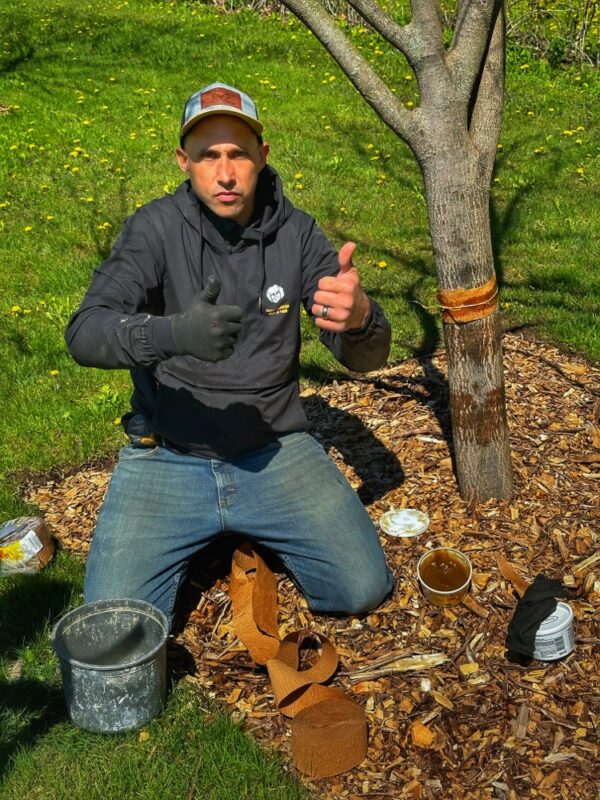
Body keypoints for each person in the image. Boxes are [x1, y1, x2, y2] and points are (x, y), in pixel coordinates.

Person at [66, 82, 394, 630]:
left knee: (360, 587)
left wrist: (359, 318)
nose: (225, 173)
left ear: (262, 157)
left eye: (238, 154)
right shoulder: (154, 228)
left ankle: (247, 526)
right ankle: (218, 531)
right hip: (168, 454)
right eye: (208, 156)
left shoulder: (298, 233)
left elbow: (365, 358)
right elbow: (84, 332)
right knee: (114, 626)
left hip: (273, 447)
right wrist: (173, 334)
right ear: (183, 161)